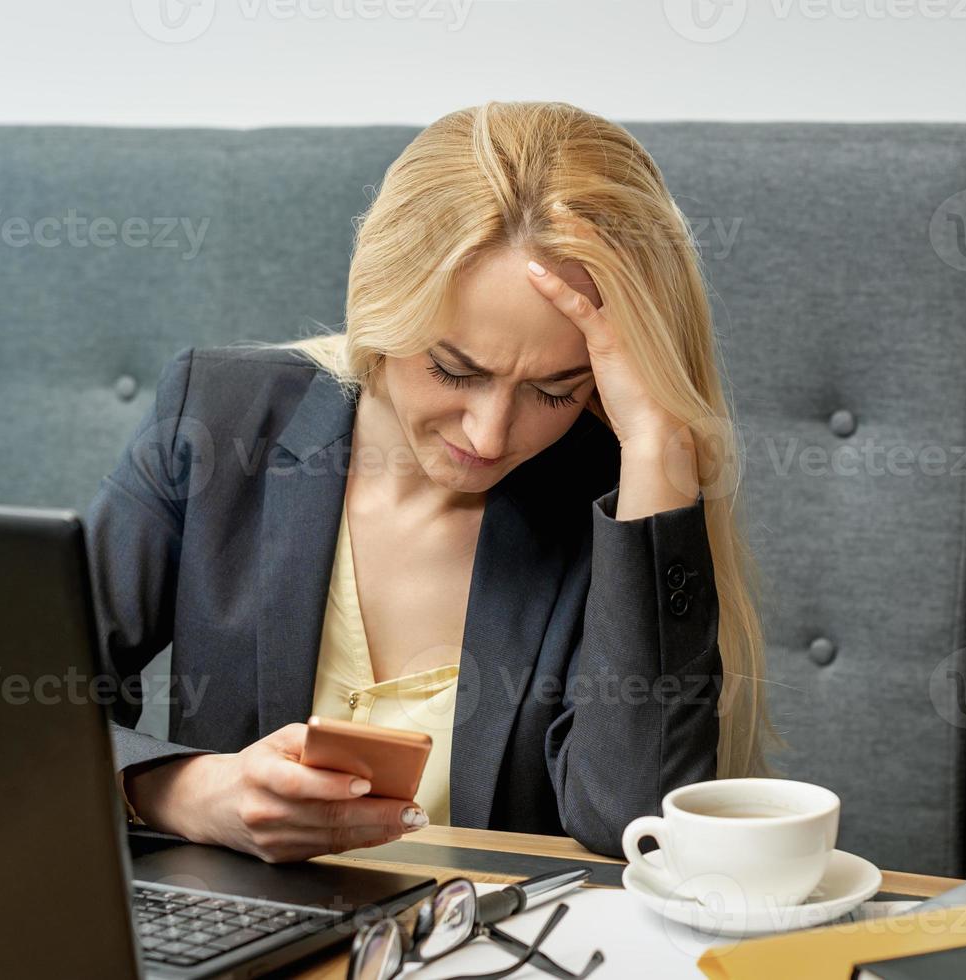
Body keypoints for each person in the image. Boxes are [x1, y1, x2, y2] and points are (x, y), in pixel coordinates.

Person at [87, 100, 770, 862]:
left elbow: (629, 821)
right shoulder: (219, 420)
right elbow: (13, 708)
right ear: (380, 307)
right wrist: (183, 793)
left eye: (556, 390)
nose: (489, 435)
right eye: (452, 369)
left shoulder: (612, 496)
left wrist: (655, 451)